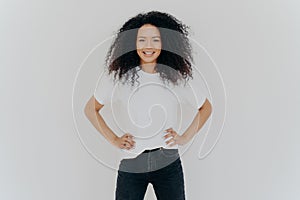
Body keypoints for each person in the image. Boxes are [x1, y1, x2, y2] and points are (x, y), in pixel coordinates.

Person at [84, 11, 212, 200]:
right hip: (132, 163)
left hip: (168, 162)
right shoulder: (118, 77)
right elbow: (90, 109)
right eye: (142, 40)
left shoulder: (176, 76)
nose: (149, 46)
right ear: (132, 43)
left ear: (165, 42)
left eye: (155, 40)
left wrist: (185, 137)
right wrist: (114, 139)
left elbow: (205, 107)